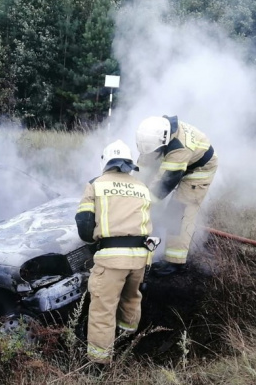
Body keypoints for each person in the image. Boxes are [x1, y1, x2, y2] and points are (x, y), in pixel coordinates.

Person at [76, 140, 155, 365]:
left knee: (103, 310)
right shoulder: (142, 187)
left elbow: (84, 227)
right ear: (129, 163)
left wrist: (95, 241)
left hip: (111, 260)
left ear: (106, 161)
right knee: (131, 299)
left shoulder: (95, 184)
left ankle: (99, 364)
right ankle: (125, 341)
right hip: (140, 258)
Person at [134, 115, 218, 275]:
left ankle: (175, 262)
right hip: (180, 160)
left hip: (199, 169)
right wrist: (132, 191)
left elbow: (165, 182)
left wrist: (144, 207)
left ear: (164, 141)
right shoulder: (154, 134)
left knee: (179, 210)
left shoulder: (179, 148)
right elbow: (142, 168)